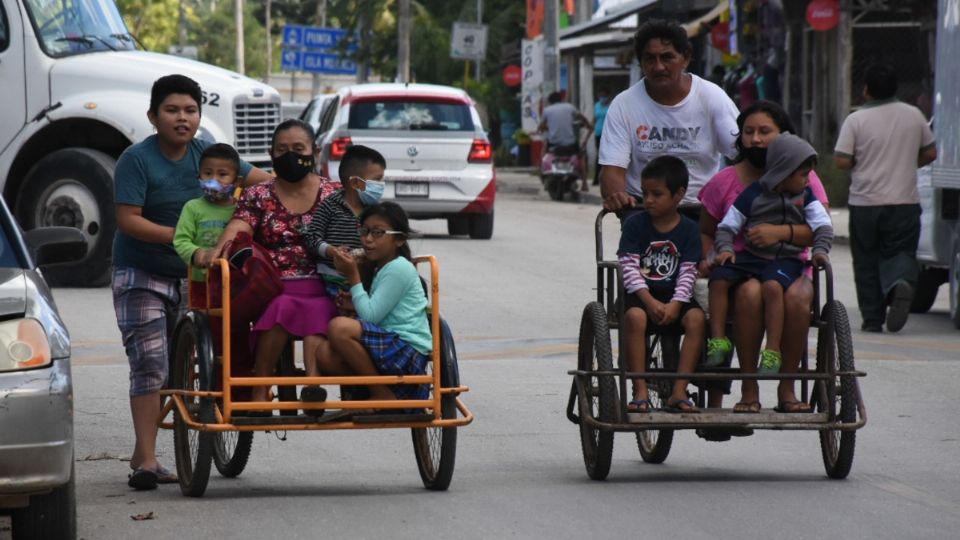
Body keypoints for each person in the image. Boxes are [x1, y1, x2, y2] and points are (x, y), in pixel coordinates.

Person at [112, 74, 269, 490]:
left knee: (181, 368)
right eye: (172, 110)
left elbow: (265, 182)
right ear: (153, 116)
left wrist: (310, 186)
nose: (182, 118)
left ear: (199, 116)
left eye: (190, 110)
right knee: (149, 362)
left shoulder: (211, 156)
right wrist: (186, 241)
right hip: (140, 272)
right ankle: (146, 460)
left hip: (199, 280)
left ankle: (148, 446)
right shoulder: (136, 159)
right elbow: (127, 220)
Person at [698, 101, 831, 419]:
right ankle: (749, 387)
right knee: (750, 293)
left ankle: (787, 386)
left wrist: (779, 232)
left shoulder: (805, 179)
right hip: (743, 269)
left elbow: (819, 229)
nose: (756, 139)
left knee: (799, 298)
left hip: (790, 264)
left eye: (764, 132)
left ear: (783, 138)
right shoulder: (726, 182)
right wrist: (716, 257)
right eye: (749, 132)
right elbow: (707, 231)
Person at [210, 119, 340, 408]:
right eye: (282, 150)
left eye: (298, 148)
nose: (290, 155)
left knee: (322, 309)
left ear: (314, 152)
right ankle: (260, 389)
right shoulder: (259, 194)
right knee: (282, 307)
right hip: (274, 286)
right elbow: (240, 226)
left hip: (327, 285)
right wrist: (223, 246)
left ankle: (312, 388)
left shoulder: (335, 194)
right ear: (271, 154)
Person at [599, 18, 738, 221]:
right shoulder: (624, 104)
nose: (658, 67)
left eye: (667, 57)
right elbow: (612, 170)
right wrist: (618, 198)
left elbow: (741, 155)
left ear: (686, 58)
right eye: (650, 59)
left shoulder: (711, 97)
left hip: (700, 211)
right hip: (643, 211)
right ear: (641, 62)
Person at [834, 63, 937, 333]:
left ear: (865, 90)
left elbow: (842, 161)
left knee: (867, 259)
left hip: (865, 203)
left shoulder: (856, 120)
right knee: (901, 252)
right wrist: (906, 162)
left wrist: (862, 159)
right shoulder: (914, 115)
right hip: (904, 201)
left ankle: (872, 318)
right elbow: (930, 153)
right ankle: (898, 285)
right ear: (896, 88)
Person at [315, 202, 432, 408]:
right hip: (386, 344)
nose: (368, 240)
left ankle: (381, 393)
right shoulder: (381, 267)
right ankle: (377, 391)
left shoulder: (398, 268)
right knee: (325, 354)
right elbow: (375, 309)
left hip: (406, 348)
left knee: (339, 327)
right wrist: (353, 303)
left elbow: (370, 317)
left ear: (399, 239)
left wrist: (353, 276)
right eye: (365, 231)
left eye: (378, 233)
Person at [618, 156, 704, 414]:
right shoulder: (635, 225)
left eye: (657, 194)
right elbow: (629, 268)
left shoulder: (689, 230)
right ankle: (640, 389)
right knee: (634, 317)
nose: (649, 200)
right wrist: (650, 301)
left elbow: (689, 272)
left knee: (697, 319)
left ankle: (679, 390)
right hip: (641, 295)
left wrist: (676, 304)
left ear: (679, 195)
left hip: (676, 294)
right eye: (645, 193)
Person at [301, 144, 386, 400]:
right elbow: (311, 237)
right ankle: (312, 386)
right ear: (355, 182)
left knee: (359, 327)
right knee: (315, 325)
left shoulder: (378, 212)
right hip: (331, 282)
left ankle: (358, 390)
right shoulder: (330, 206)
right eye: (377, 180)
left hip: (368, 284)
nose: (381, 186)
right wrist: (329, 251)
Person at [173, 143, 241, 286]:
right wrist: (198, 254)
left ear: (236, 181)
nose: (213, 180)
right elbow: (181, 240)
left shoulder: (242, 209)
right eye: (208, 173)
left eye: (222, 174)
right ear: (199, 177)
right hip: (200, 283)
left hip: (235, 283)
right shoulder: (192, 208)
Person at [539, 91, 592, 188]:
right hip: (570, 143)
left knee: (544, 150)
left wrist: (546, 128)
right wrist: (588, 125)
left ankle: (542, 170)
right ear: (561, 99)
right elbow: (581, 117)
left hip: (554, 144)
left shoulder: (547, 110)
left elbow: (541, 127)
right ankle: (584, 183)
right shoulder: (569, 107)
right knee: (582, 156)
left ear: (550, 102)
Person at [592, 88, 611, 186]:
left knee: (608, 157)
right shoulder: (597, 106)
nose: (602, 98)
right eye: (600, 96)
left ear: (608, 96)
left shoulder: (612, 106)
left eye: (604, 96)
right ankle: (596, 178)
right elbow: (594, 120)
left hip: (609, 135)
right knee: (599, 156)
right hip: (598, 134)